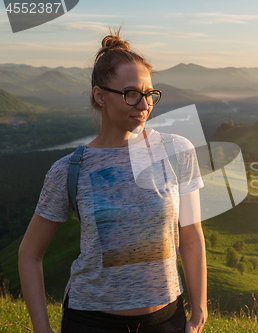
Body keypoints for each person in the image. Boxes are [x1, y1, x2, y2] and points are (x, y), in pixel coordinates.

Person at [18, 28, 207, 333]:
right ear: (99, 95)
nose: (144, 105)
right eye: (131, 94)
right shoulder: (67, 170)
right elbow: (29, 254)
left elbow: (191, 236)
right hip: (90, 322)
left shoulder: (177, 152)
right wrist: (42, 329)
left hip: (166, 320)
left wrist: (199, 312)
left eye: (149, 94)